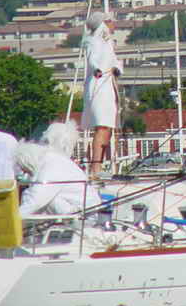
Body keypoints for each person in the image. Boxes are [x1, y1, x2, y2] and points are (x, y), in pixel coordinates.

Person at [16, 121, 101, 215]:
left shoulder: (52, 164)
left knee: (47, 198)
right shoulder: (56, 160)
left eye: (25, 170)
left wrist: (14, 218)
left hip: (84, 213)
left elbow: (37, 198)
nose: (25, 173)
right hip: (80, 209)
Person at [82, 11, 122, 179]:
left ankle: (100, 165)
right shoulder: (94, 41)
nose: (114, 24)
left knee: (108, 128)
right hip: (98, 86)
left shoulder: (108, 42)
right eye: (111, 21)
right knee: (101, 126)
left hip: (108, 86)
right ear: (104, 23)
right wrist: (97, 69)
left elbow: (115, 61)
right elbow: (92, 59)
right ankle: (95, 168)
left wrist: (117, 68)